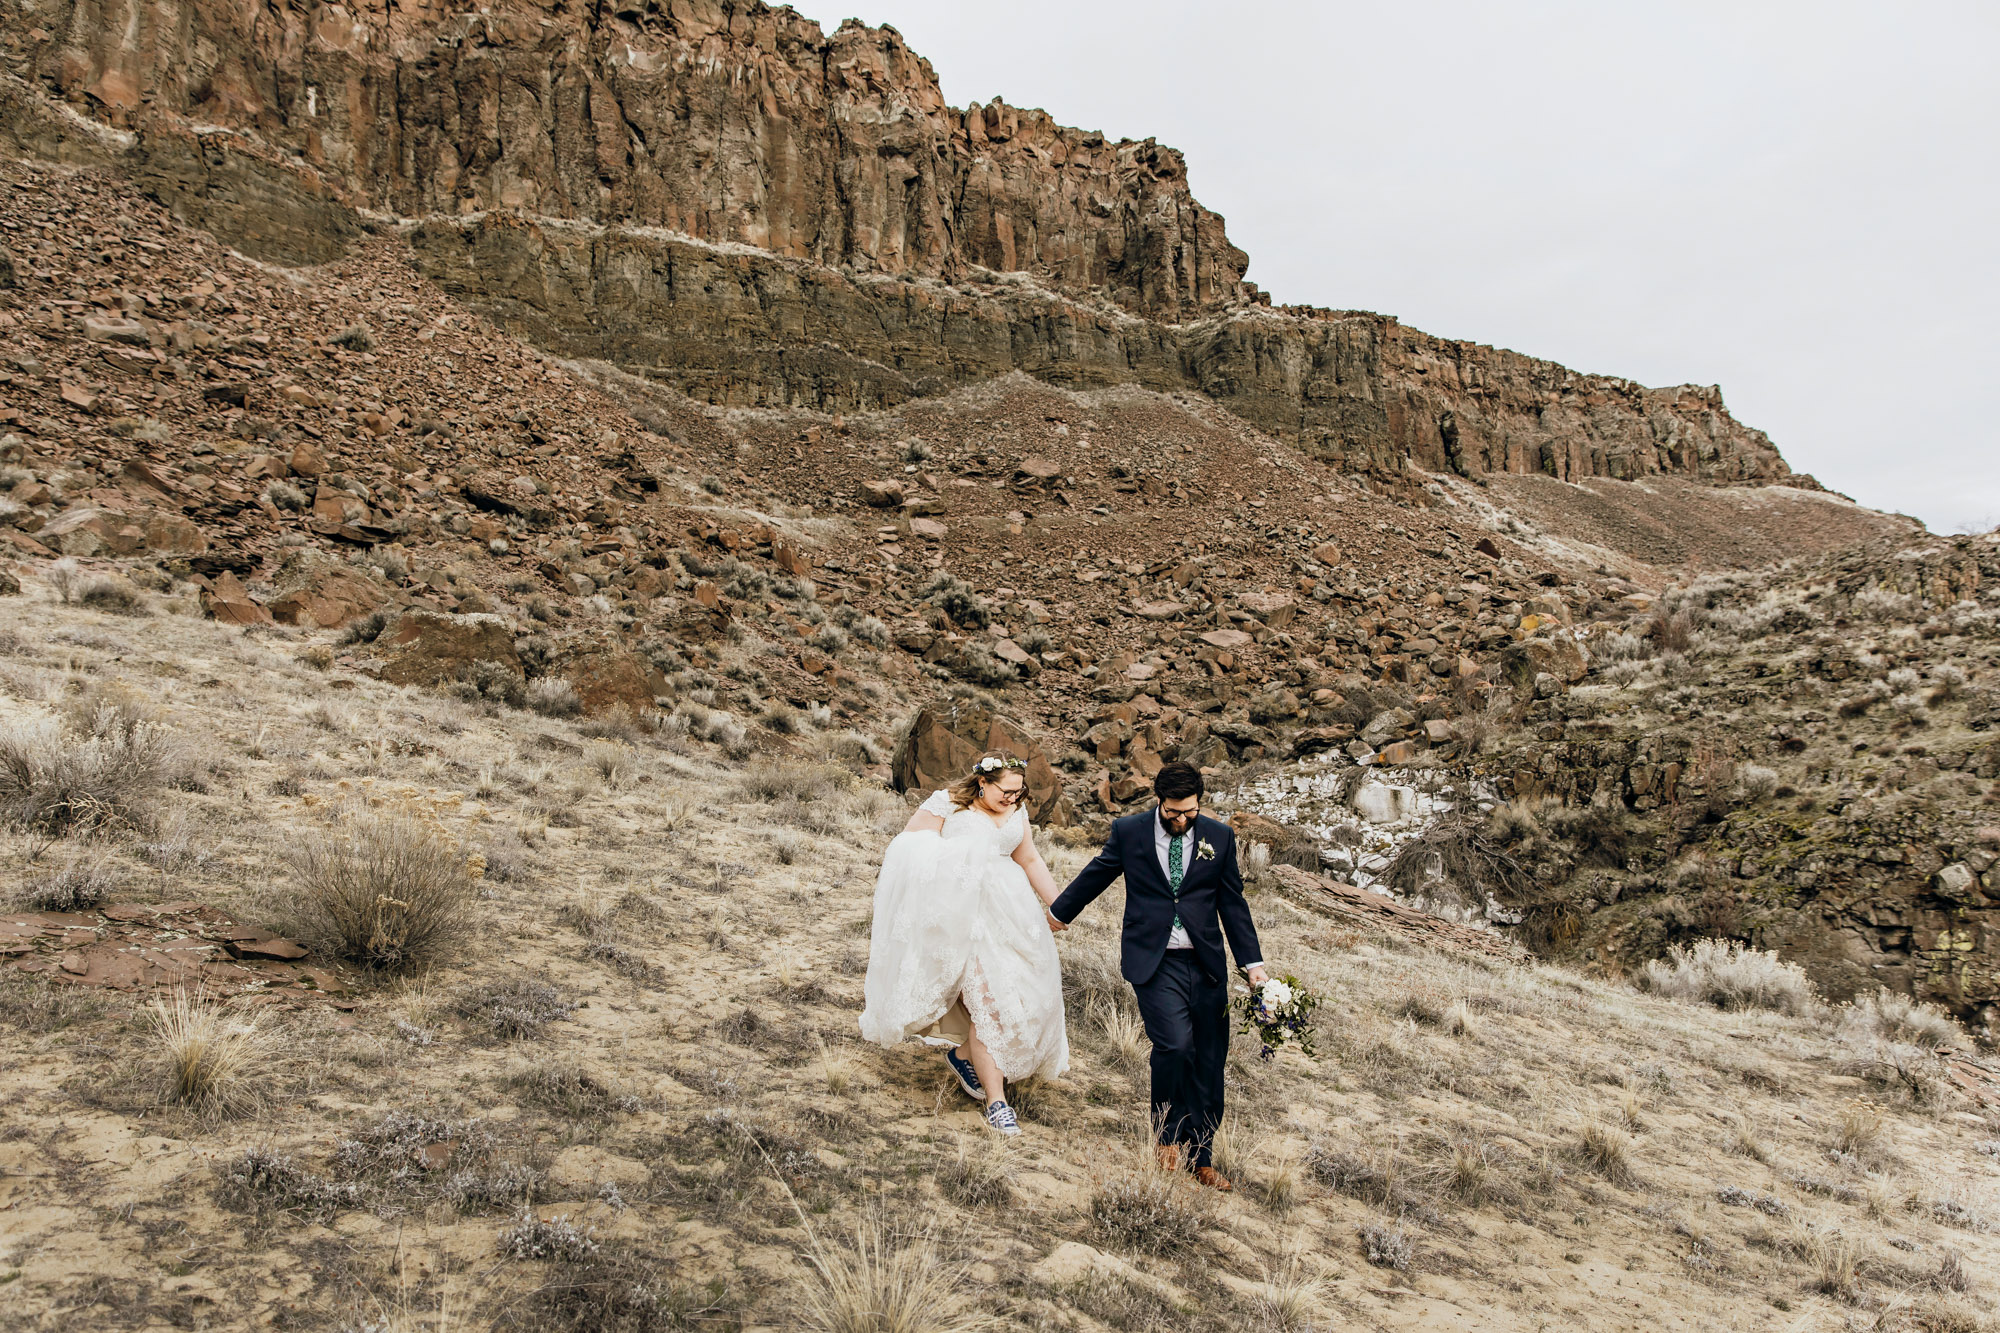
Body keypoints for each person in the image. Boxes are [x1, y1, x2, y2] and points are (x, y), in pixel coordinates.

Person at [1046, 761, 1265, 1189]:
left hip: (1205, 965)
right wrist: (1059, 914)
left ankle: (1201, 1155)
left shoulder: (1219, 837)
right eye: (1173, 813)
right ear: (1158, 802)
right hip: (1154, 960)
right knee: (1175, 1046)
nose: (1182, 820)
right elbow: (1098, 873)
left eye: (1190, 812)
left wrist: (1253, 967)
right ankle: (1166, 1135)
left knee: (1209, 1059)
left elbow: (1233, 906)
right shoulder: (1130, 833)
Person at [858, 752, 1069, 1136]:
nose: (1013, 800)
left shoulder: (1016, 813)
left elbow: (1031, 859)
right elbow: (907, 848)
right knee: (990, 1003)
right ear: (983, 783)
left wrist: (1059, 906)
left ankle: (962, 1056)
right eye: (1006, 792)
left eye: (1020, 793)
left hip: (1014, 914)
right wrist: (957, 861)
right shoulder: (947, 805)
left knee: (1025, 995)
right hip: (964, 918)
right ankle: (997, 1102)